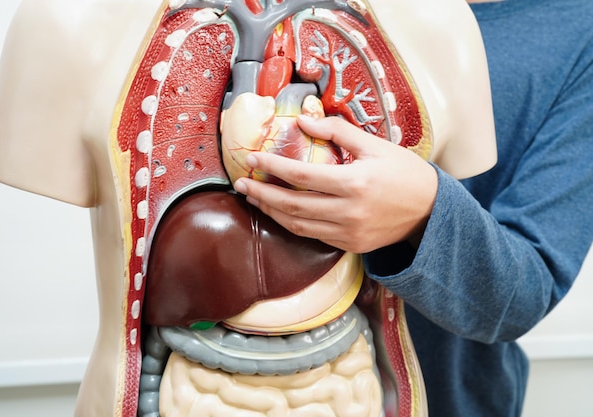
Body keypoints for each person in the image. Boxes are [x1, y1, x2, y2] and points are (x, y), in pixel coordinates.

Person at [232, 0, 593, 415]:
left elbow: (526, 294)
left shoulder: (580, 33)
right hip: (226, 370)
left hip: (445, 394)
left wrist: (423, 213)